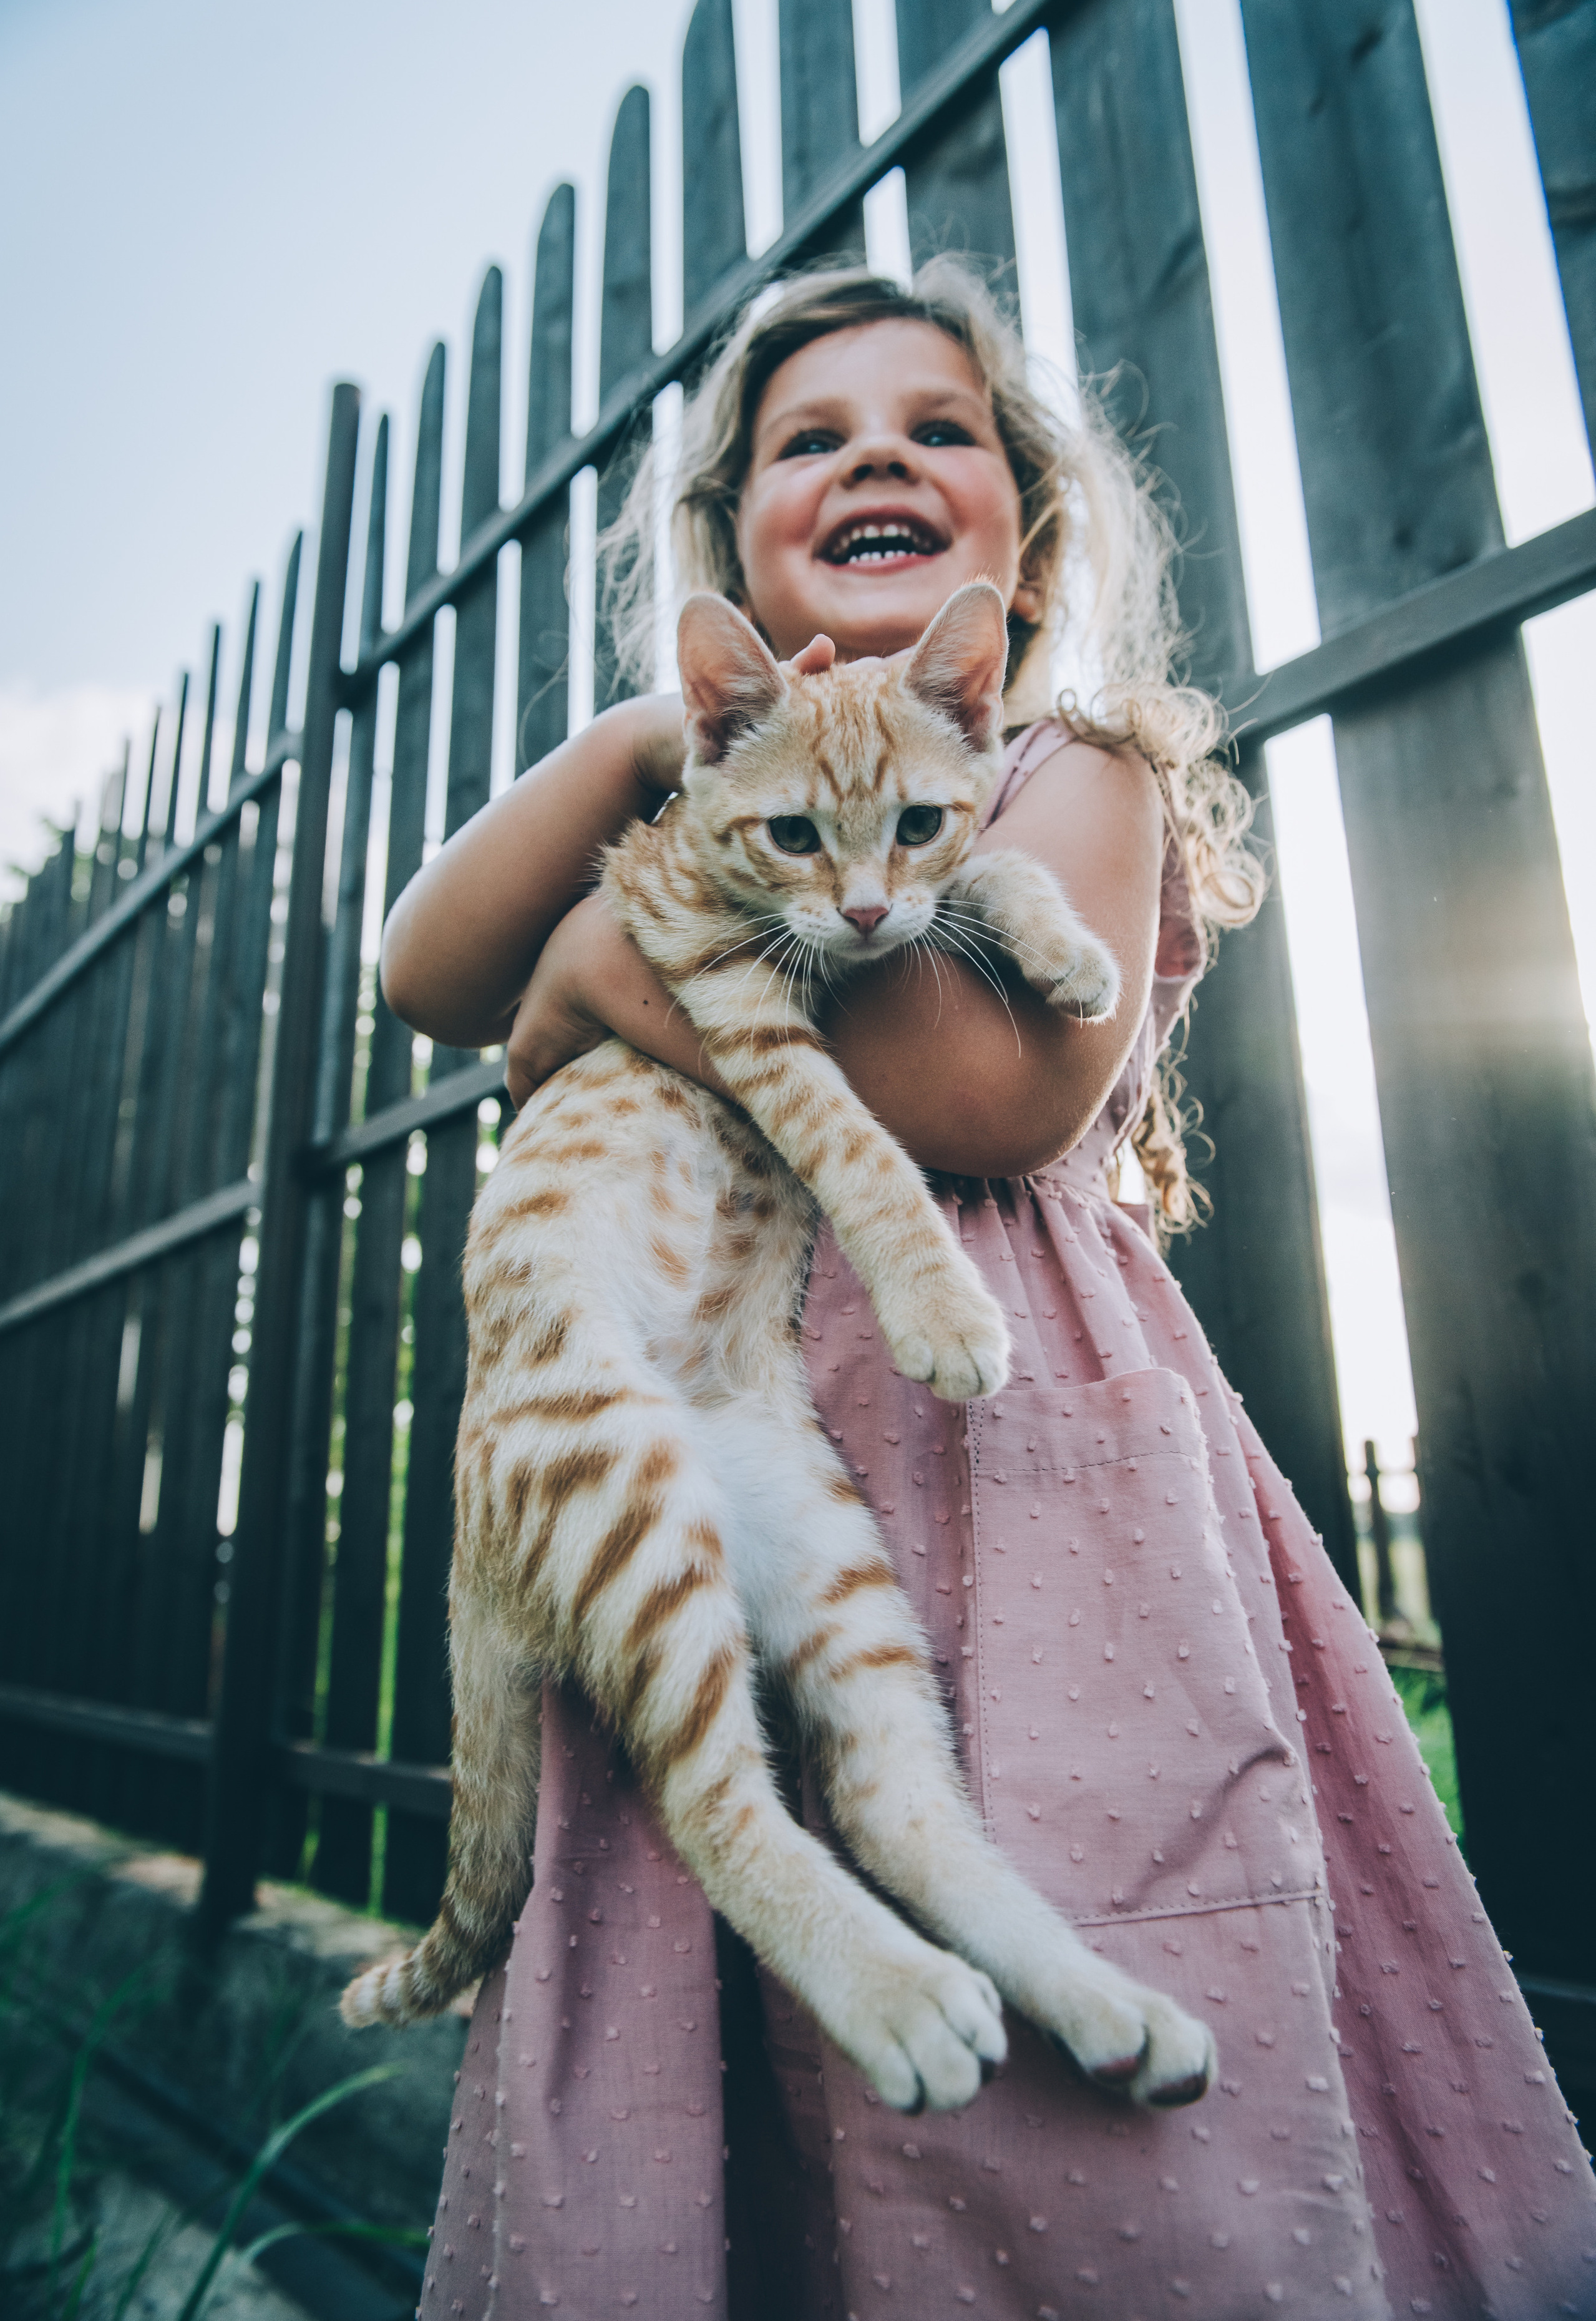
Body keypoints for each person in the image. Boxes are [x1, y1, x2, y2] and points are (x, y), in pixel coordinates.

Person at [382, 263, 1592, 2320]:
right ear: (731, 551)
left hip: (1018, 1474)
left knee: (1108, 1940)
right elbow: (425, 968)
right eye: (812, 439)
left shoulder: (1067, 770)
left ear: (1022, 557)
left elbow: (984, 1094)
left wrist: (598, 977)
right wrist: (648, 736)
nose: (878, 454)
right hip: (740, 1434)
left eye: (939, 428)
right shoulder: (704, 792)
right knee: (717, 2042)